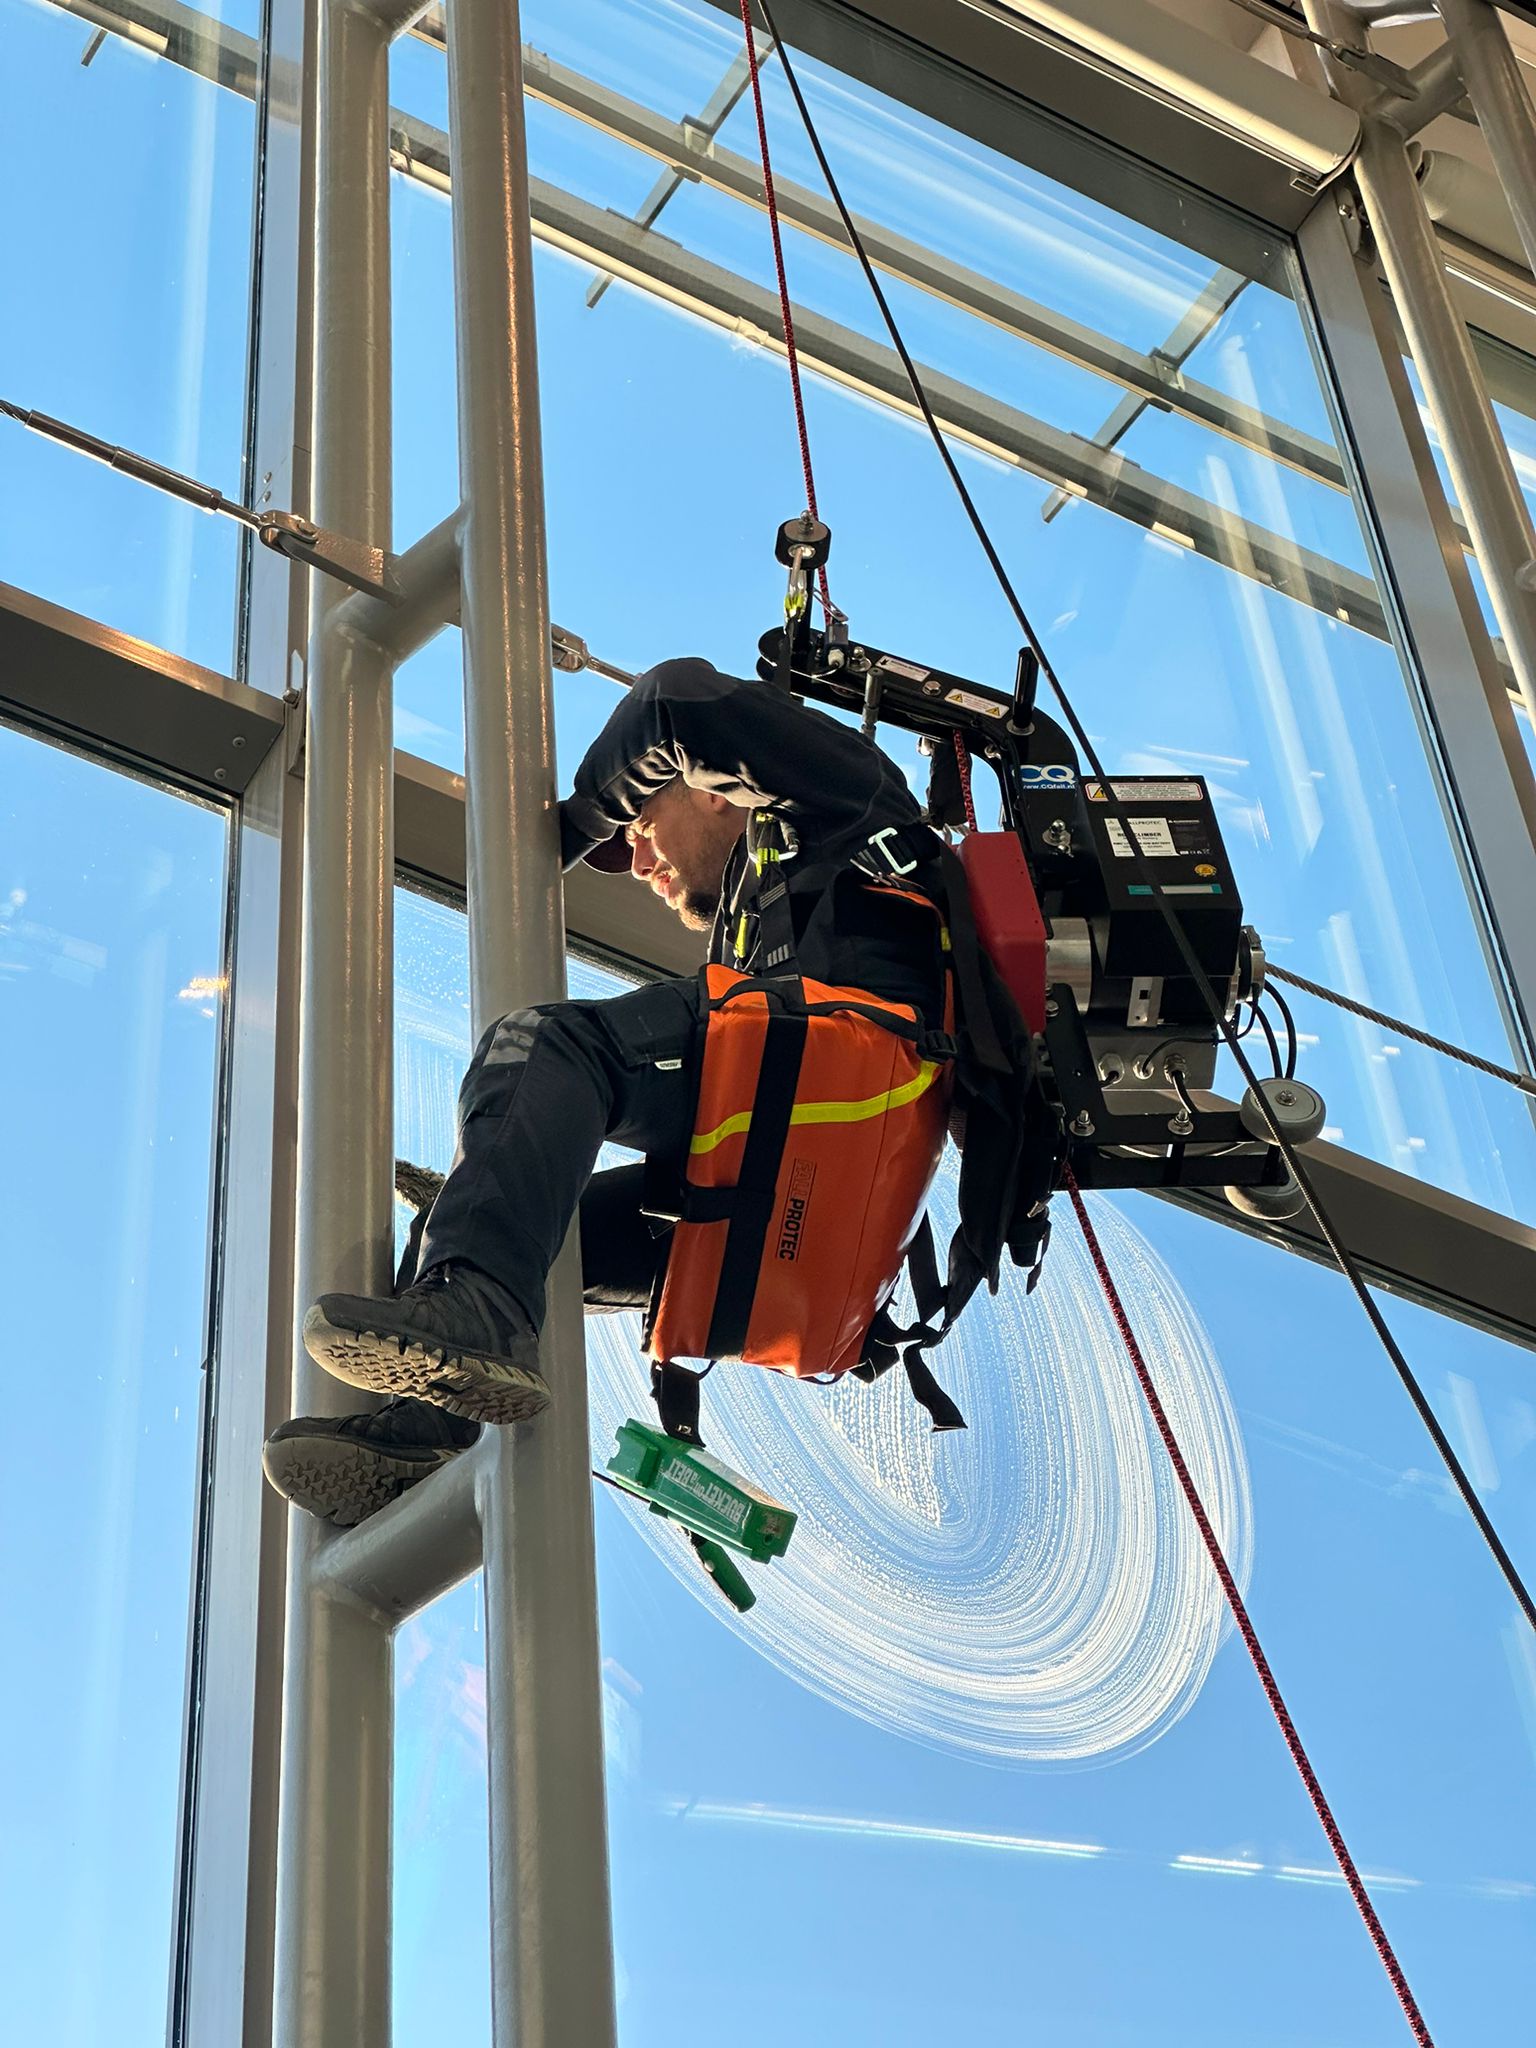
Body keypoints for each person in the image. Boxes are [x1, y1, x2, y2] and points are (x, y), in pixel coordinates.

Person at [262, 655, 951, 1525]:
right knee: (490, 1231)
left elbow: (676, 699)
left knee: (549, 1045)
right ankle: (418, 1441)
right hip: (804, 1177)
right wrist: (509, 1183)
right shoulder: (757, 930)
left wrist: (578, 822)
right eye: (622, 831)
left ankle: (477, 1308)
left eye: (642, 816)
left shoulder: (841, 792)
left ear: (712, 788)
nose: (632, 857)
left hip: (829, 1086)